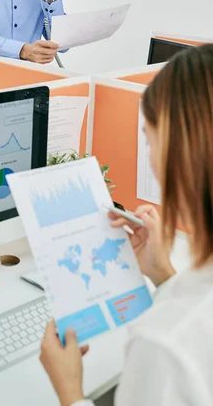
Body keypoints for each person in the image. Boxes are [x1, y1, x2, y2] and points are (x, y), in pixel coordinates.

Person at [39, 44, 213, 406]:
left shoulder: (163, 343)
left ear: (178, 153)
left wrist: (70, 391)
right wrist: (165, 274)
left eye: (148, 138)